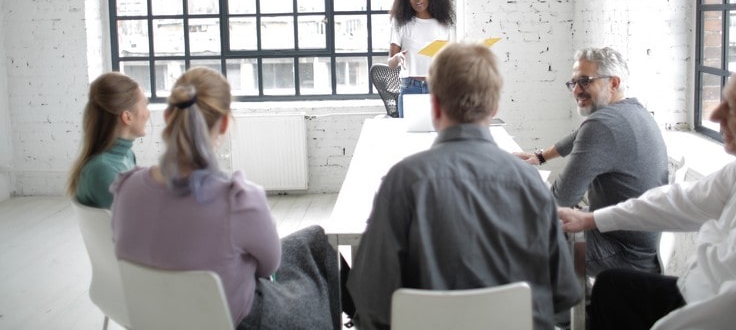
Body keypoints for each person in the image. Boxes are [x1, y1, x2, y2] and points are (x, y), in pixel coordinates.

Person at [558, 58, 736, 329]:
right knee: (611, 286)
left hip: (714, 308)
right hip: (695, 289)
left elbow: (733, 317)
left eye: (734, 108)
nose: (714, 116)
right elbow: (682, 200)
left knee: (557, 253)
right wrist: (592, 219)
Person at [348, 42, 582, 330]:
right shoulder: (529, 182)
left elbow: (370, 299)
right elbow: (562, 296)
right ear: (495, 107)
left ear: (434, 105)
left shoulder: (403, 181)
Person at [111, 67, 342, 329]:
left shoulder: (126, 188)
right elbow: (269, 267)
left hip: (154, 317)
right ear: (223, 124)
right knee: (320, 256)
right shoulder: (238, 199)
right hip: (241, 321)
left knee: (316, 238)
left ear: (167, 116)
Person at [514, 47, 668, 277]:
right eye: (573, 82)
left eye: (585, 81)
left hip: (621, 252)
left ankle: (518, 308)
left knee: (513, 239)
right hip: (639, 244)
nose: (576, 90)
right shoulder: (633, 110)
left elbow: (559, 201)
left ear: (614, 83)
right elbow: (578, 136)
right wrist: (540, 156)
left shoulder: (601, 125)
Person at [67, 72, 150, 209]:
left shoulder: (127, 156)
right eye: (145, 106)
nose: (148, 113)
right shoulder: (103, 169)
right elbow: (138, 219)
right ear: (127, 117)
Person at [387, 0, 455, 117]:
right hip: (410, 87)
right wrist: (397, 57)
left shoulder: (444, 24)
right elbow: (391, 63)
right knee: (409, 135)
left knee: (438, 134)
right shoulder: (400, 23)